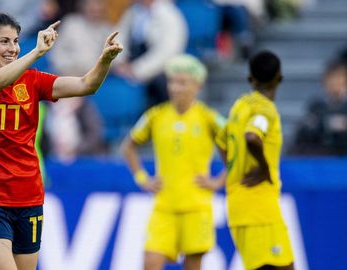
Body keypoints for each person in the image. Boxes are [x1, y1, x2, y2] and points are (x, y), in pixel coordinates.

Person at [0, 6, 123, 270]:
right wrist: (36, 52)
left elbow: (85, 85)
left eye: (16, 41)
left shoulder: (32, 81)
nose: (12, 48)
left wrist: (105, 59)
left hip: (28, 196)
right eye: (4, 41)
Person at [121, 54, 226, 270]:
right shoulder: (155, 115)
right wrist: (142, 178)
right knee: (150, 262)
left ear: (197, 85)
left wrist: (219, 181)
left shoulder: (209, 118)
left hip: (196, 206)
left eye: (182, 82)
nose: (175, 88)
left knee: (193, 265)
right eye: (172, 81)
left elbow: (234, 152)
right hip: (164, 206)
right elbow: (128, 146)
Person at [215, 51, 295, 270]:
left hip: (239, 205)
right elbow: (252, 136)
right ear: (280, 77)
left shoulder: (240, 105)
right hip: (259, 210)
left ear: (250, 79)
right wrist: (264, 168)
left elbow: (221, 141)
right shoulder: (264, 109)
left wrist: (233, 168)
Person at [289, 60, 347, 156]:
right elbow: (305, 129)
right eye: (332, 79)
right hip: (322, 153)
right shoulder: (316, 105)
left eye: (340, 79)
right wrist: (328, 124)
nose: (336, 83)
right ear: (325, 82)